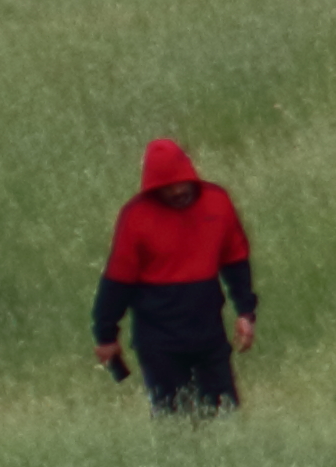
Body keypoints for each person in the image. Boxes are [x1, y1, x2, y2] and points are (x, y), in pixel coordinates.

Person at [89, 137, 258, 411]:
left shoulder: (218, 202)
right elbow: (118, 281)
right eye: (168, 188)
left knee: (224, 413)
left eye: (182, 182)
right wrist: (105, 335)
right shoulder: (136, 217)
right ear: (154, 188)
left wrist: (245, 313)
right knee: (175, 419)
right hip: (159, 340)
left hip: (209, 335)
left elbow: (236, 261)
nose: (178, 190)